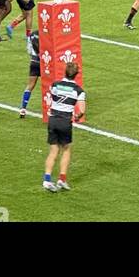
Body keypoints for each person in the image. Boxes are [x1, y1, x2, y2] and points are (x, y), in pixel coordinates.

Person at [42, 60, 86, 192]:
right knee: (66, 149)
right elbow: (81, 110)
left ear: (65, 72)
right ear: (76, 74)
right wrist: (77, 117)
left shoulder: (55, 84)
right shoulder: (79, 91)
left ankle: (47, 180)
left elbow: (52, 96)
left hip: (53, 119)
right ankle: (61, 179)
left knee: (53, 151)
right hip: (65, 121)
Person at [18, 29, 40, 118]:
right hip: (45, 62)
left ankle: (23, 108)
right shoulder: (48, 33)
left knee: (30, 85)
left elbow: (29, 50)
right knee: (50, 85)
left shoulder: (32, 34)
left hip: (34, 61)